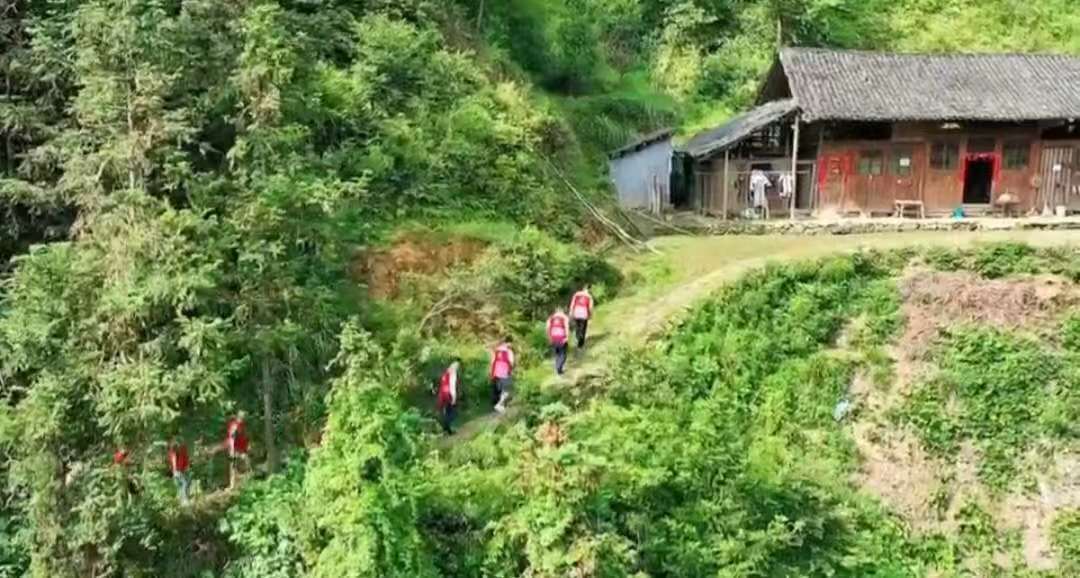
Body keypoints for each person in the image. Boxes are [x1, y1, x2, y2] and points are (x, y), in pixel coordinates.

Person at [489, 338, 515, 414]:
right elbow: (511, 363)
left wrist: (491, 372)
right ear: (509, 343)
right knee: (507, 390)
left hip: (496, 373)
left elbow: (492, 362)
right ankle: (499, 405)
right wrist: (510, 371)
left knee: (499, 390)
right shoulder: (509, 351)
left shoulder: (496, 351)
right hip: (504, 372)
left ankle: (499, 406)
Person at [225, 412, 249, 490]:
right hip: (236, 449)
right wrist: (232, 450)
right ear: (238, 417)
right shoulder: (235, 426)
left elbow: (245, 437)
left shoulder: (242, 425)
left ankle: (241, 484)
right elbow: (232, 439)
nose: (243, 419)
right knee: (234, 466)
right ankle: (232, 485)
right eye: (242, 417)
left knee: (242, 465)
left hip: (242, 449)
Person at [436, 360, 460, 435]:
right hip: (449, 394)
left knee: (447, 411)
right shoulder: (453, 374)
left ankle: (447, 429)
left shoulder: (446, 373)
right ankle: (446, 426)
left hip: (443, 394)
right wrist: (454, 397)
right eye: (457, 367)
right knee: (453, 413)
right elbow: (452, 386)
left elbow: (443, 384)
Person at [547, 308, 570, 376]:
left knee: (557, 354)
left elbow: (548, 328)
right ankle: (559, 367)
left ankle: (558, 367)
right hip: (562, 337)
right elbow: (566, 327)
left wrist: (549, 337)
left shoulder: (551, 318)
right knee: (563, 354)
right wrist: (567, 337)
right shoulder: (564, 317)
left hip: (553, 337)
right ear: (561, 312)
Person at [569, 285, 594, 349]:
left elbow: (572, 304)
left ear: (583, 288)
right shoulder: (589, 296)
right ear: (589, 289)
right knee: (583, 328)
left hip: (576, 311)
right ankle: (581, 343)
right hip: (584, 312)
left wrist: (571, 312)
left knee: (577, 326)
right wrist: (590, 315)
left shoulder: (576, 294)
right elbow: (590, 307)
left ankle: (578, 337)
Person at [167, 438, 190, 505]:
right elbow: (174, 464)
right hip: (177, 472)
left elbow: (184, 459)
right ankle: (184, 500)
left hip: (178, 471)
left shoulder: (174, 453)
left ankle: (182, 500)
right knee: (184, 484)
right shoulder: (173, 454)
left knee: (181, 486)